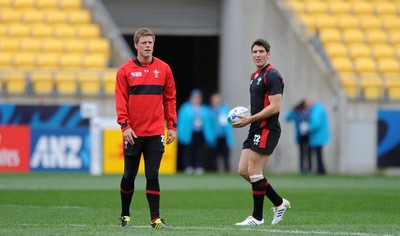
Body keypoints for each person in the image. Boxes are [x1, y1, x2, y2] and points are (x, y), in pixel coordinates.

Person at [115, 27, 177, 229]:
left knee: (152, 175)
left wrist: (172, 125)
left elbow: (170, 98)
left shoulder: (164, 69)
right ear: (136, 45)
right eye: (144, 42)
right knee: (129, 176)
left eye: (150, 42)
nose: (148, 46)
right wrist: (125, 126)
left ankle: (155, 219)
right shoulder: (125, 70)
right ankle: (125, 215)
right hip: (133, 133)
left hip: (155, 133)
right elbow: (121, 101)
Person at [232, 39, 290, 226]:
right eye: (254, 52)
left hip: (267, 128)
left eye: (261, 51)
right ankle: (279, 203)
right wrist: (243, 113)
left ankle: (257, 218)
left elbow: (275, 107)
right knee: (243, 170)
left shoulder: (272, 75)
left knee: (255, 171)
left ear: (268, 54)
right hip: (255, 126)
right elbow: (257, 104)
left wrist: (250, 118)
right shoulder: (255, 75)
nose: (257, 55)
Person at [177, 89, 214, 174]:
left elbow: (208, 123)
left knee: (199, 150)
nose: (196, 99)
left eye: (198, 97)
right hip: (188, 133)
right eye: (194, 97)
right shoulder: (185, 108)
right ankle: (188, 166)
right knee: (187, 150)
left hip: (199, 132)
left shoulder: (204, 108)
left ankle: (198, 166)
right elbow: (181, 121)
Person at [208, 93, 234, 172]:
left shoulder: (225, 109)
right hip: (214, 137)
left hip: (224, 136)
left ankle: (226, 170)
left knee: (225, 155)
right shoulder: (209, 111)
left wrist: (229, 132)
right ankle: (214, 171)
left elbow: (230, 123)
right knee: (213, 156)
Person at [304, 98, 330, 175]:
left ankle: (320, 170)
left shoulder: (316, 110)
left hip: (317, 136)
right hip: (320, 135)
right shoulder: (319, 108)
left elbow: (316, 123)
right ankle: (321, 169)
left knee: (318, 154)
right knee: (319, 154)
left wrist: (308, 128)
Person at [285, 100, 312, 175]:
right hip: (300, 135)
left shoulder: (308, 112)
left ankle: (309, 169)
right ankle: (302, 169)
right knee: (302, 153)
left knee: (309, 153)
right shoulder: (297, 113)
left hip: (308, 135)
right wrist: (291, 110)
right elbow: (287, 118)